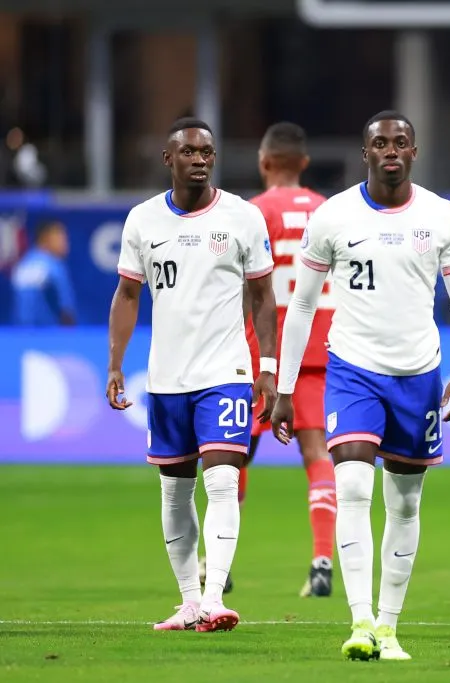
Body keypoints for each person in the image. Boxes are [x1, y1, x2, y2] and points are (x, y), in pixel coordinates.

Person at [271, 110, 450, 661]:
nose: (391, 150)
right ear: (365, 153)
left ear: (414, 151)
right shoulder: (333, 216)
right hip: (352, 370)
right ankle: (360, 622)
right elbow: (300, 303)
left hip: (419, 375)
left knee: (405, 504)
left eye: (401, 142)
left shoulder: (441, 216)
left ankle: (389, 626)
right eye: (380, 143)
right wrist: (285, 388)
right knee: (354, 490)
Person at [106, 117, 278, 632]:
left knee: (223, 482)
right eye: (189, 152)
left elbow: (264, 296)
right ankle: (187, 603)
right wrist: (116, 363)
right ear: (169, 160)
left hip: (225, 373)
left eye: (207, 152)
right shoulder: (142, 221)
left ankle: (214, 596)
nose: (200, 160)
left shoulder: (243, 218)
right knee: (175, 493)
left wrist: (266, 368)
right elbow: (129, 294)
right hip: (165, 380)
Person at [198, 122, 334, 598]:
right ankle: (321, 562)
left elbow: (246, 289)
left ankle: (218, 562)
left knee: (235, 454)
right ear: (304, 163)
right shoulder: (329, 211)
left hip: (264, 351)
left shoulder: (252, 213)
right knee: (318, 454)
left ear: (264, 162)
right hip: (321, 348)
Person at [10, 219, 76, 326]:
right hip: (47, 336)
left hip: (19, 334)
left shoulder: (23, 264)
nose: (66, 243)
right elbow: (67, 310)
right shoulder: (54, 266)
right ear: (45, 238)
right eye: (61, 238)